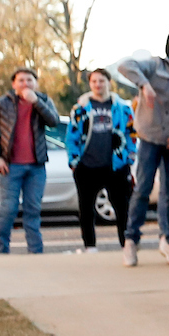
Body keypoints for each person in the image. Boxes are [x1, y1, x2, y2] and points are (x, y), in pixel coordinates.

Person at [118, 28, 169, 267]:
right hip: (151, 137)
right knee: (143, 189)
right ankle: (131, 241)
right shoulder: (155, 65)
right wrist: (144, 84)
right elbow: (125, 65)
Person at [0, 68, 60, 254]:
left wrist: (37, 102)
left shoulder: (44, 101)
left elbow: (54, 122)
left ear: (35, 83)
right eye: (21, 80)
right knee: (8, 209)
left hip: (36, 167)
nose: (25, 84)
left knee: (33, 210)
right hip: (10, 166)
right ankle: (2, 250)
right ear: (14, 84)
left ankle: (35, 252)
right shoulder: (1, 104)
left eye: (29, 80)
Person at [65, 69, 137, 251]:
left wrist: (130, 155)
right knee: (86, 209)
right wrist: (74, 161)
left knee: (123, 208)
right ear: (90, 84)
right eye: (94, 81)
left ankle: (126, 245)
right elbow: (71, 136)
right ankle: (90, 246)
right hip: (87, 166)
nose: (98, 85)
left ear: (108, 82)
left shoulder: (122, 108)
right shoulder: (81, 108)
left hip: (116, 165)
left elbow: (132, 133)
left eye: (102, 81)